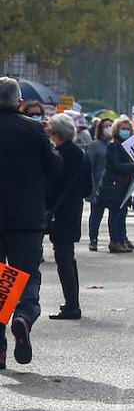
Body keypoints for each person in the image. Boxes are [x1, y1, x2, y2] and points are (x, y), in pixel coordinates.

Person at [0, 77, 62, 368]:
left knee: (1, 282)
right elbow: (55, 167)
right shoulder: (34, 129)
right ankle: (24, 315)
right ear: (20, 102)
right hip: (26, 219)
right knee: (25, 274)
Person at [45, 113, 92, 320]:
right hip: (73, 210)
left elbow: (48, 185)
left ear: (55, 133)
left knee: (62, 257)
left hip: (57, 211)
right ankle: (72, 301)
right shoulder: (82, 155)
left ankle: (72, 305)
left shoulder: (56, 155)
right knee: (68, 256)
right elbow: (88, 188)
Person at [97, 116, 134, 253]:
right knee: (115, 214)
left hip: (125, 185)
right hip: (114, 185)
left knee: (122, 214)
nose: (126, 131)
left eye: (128, 129)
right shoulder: (113, 145)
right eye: (123, 129)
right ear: (117, 129)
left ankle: (122, 239)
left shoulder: (128, 145)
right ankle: (115, 241)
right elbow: (116, 165)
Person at [86, 119, 112, 252]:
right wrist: (90, 185)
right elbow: (89, 165)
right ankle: (93, 239)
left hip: (112, 185)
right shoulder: (95, 145)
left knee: (115, 215)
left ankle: (117, 239)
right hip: (97, 184)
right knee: (96, 214)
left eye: (111, 126)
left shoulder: (115, 145)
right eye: (106, 126)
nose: (109, 128)